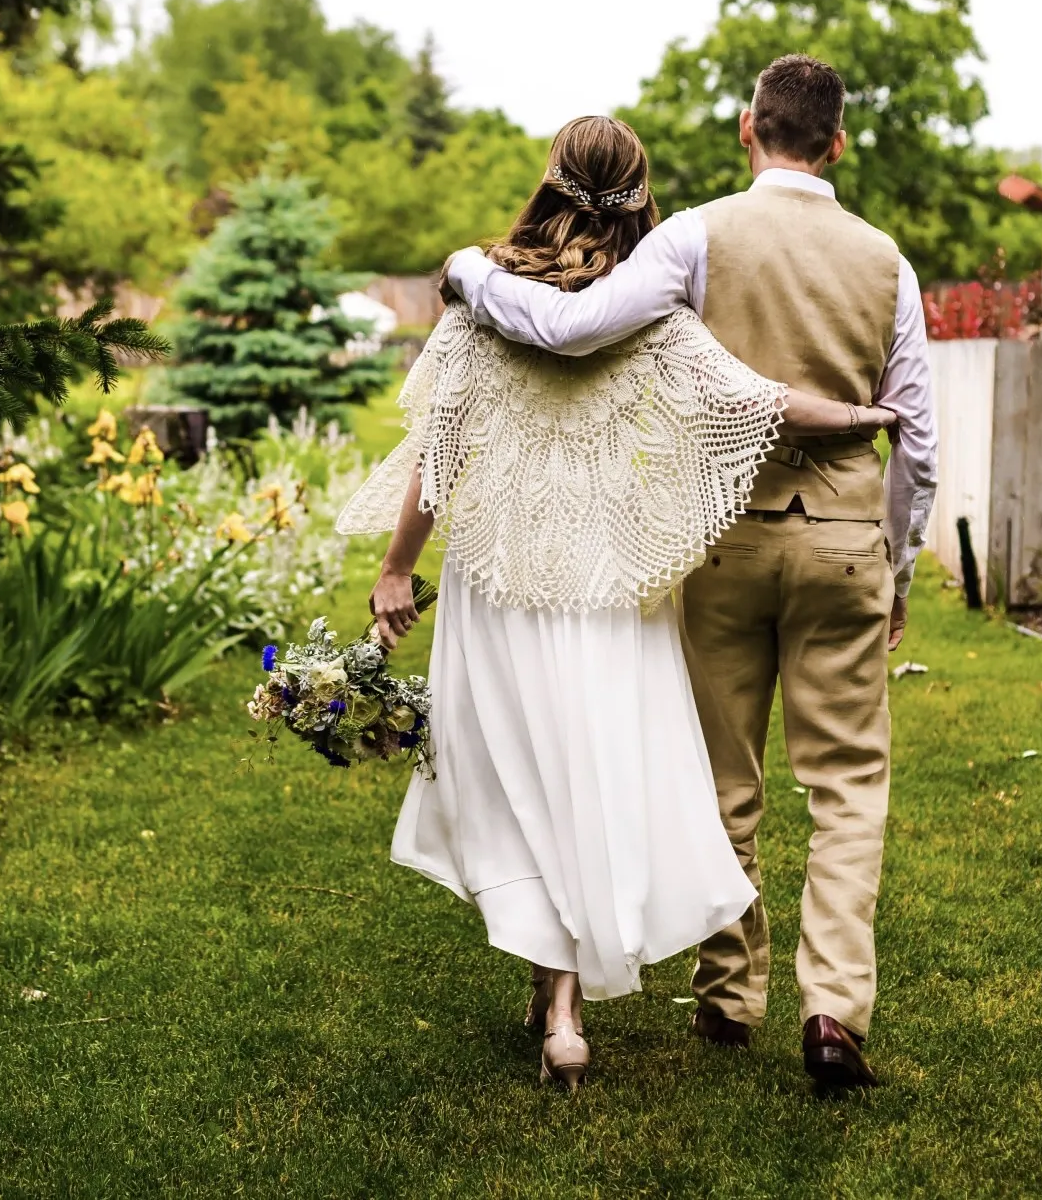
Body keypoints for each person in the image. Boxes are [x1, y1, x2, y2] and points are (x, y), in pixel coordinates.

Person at [335, 114, 898, 1091]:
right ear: (640, 194)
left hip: (500, 573)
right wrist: (859, 415)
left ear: (549, 180)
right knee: (582, 773)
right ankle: (562, 1002)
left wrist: (395, 571)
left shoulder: (478, 298)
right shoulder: (652, 316)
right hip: (607, 581)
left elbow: (439, 455)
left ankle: (560, 1009)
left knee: (520, 782)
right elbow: (756, 401)